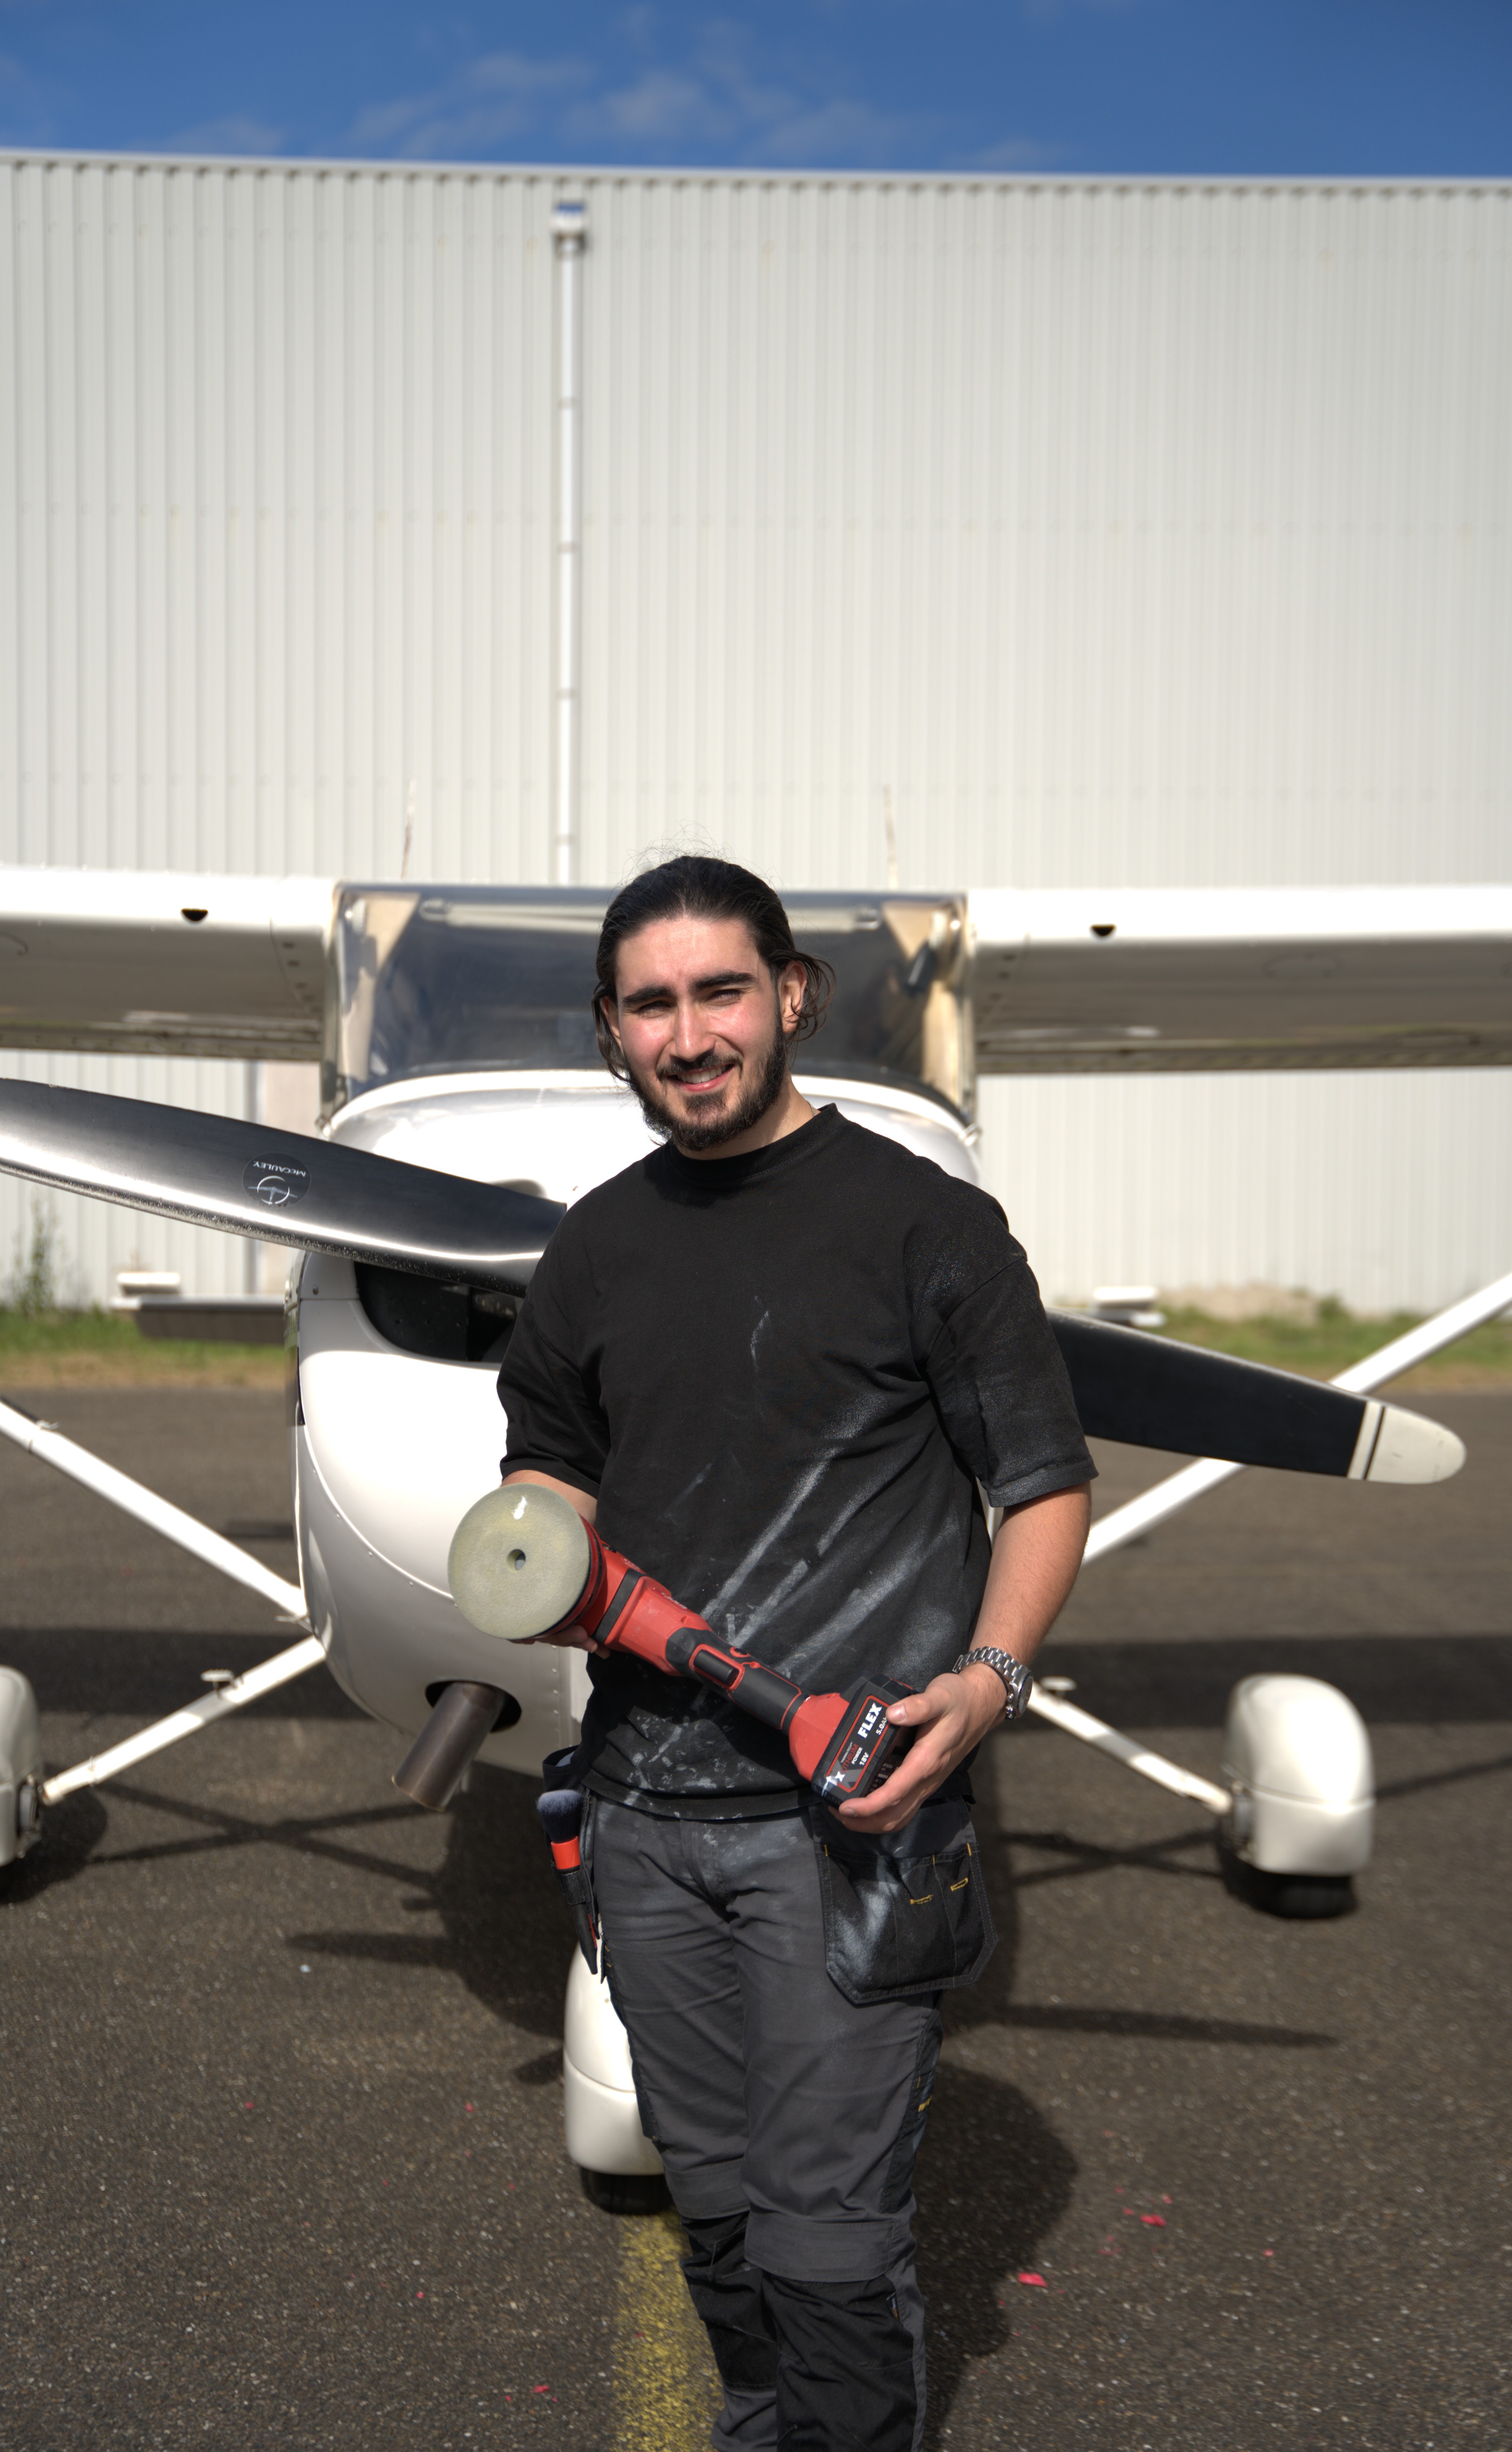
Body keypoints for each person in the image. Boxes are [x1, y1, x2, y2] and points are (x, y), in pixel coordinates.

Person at [496, 856, 1094, 2452]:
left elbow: (1042, 1485)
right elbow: (547, 1481)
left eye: (719, 993)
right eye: (650, 1005)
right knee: (725, 2228)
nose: (689, 1036)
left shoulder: (925, 1227)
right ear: (611, 1033)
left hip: (848, 1822)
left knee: (830, 2244)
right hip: (640, 1818)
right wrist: (526, 1547)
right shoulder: (593, 1255)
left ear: (789, 996)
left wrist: (989, 1683)